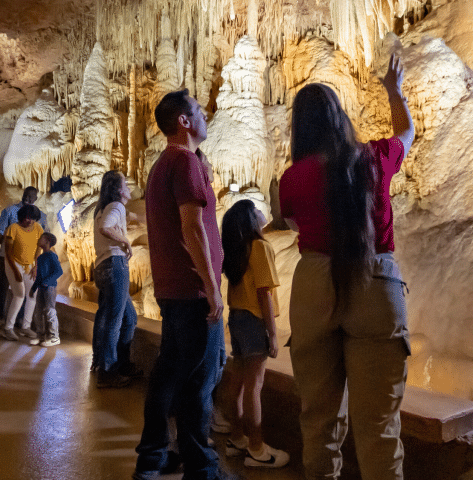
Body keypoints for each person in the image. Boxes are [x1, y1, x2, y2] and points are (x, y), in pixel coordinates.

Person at [278, 54, 415, 480]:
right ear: (340, 119)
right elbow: (407, 133)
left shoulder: (292, 178)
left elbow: (292, 223)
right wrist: (394, 90)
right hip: (375, 281)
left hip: (315, 283)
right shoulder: (374, 158)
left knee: (319, 421)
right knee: (379, 428)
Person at [134, 89, 226, 480]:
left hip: (174, 290)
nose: (207, 117)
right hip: (192, 291)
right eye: (200, 113)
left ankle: (154, 457)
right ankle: (199, 464)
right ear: (184, 122)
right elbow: (193, 229)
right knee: (200, 379)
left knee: (170, 372)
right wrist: (212, 286)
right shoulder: (185, 162)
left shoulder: (162, 165)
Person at [219, 200, 289, 468]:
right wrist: (272, 333)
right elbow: (264, 292)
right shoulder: (259, 246)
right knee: (253, 386)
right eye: (257, 210)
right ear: (250, 219)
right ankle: (257, 449)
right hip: (253, 319)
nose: (263, 212)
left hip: (237, 317)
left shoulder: (239, 250)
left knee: (237, 382)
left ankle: (237, 438)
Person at [91, 170, 142, 388]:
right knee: (114, 319)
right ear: (118, 189)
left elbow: (124, 218)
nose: (129, 187)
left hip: (102, 267)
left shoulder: (102, 208)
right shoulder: (116, 206)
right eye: (126, 184)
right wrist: (126, 242)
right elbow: (106, 228)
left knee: (125, 318)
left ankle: (111, 361)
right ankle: (108, 370)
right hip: (115, 264)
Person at [0, 187, 40, 327]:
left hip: (27, 259)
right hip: (7, 256)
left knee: (24, 289)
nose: (28, 198)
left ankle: (19, 319)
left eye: (32, 197)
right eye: (26, 195)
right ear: (23, 194)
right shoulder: (9, 211)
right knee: (2, 285)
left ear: (36, 199)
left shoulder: (39, 215)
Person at [1, 204, 44, 342]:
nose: (30, 221)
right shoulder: (13, 228)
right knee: (19, 294)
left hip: (29, 265)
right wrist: (15, 271)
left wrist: (36, 265)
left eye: (33, 219)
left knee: (32, 294)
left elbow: (39, 247)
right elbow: (8, 252)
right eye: (28, 218)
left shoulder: (37, 228)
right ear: (22, 217)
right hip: (14, 263)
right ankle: (8, 328)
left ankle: (26, 326)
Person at [29, 232, 62, 347]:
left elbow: (59, 271)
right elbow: (38, 276)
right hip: (41, 288)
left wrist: (47, 282)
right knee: (38, 312)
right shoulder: (41, 258)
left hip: (50, 288)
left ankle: (54, 337)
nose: (39, 239)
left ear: (47, 241)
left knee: (50, 311)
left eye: (41, 238)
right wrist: (33, 288)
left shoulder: (52, 256)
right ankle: (40, 335)